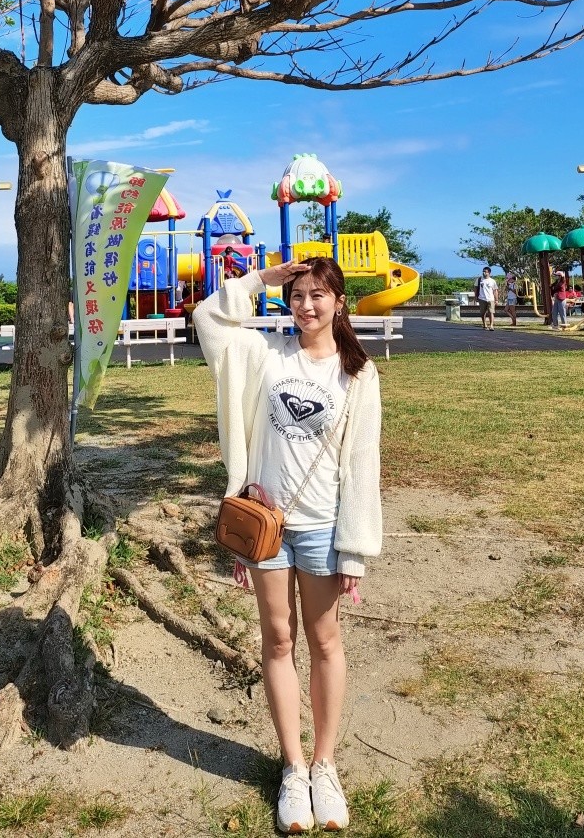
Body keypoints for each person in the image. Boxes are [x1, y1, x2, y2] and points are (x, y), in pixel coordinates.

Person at [194, 257, 382, 834]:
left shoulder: (357, 373)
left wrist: (354, 548)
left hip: (324, 527)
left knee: (325, 642)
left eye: (318, 295)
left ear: (339, 303)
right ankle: (293, 768)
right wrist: (259, 281)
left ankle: (325, 765)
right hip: (267, 525)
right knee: (278, 639)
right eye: (298, 294)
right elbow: (208, 318)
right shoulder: (266, 354)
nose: (306, 305)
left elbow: (362, 466)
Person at [475, 266, 498, 330]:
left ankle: (491, 325)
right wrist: (476, 297)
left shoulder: (492, 281)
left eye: (485, 272)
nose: (484, 273)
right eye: (483, 271)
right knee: (483, 313)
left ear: (489, 273)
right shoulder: (479, 280)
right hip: (482, 298)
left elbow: (495, 290)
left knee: (491, 312)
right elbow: (476, 289)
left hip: (491, 299)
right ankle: (484, 324)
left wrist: (496, 300)